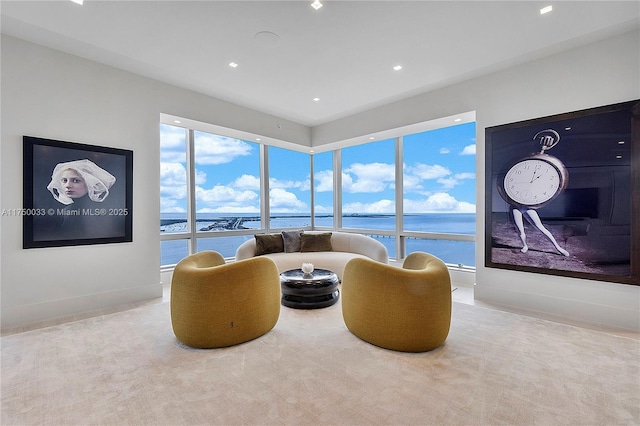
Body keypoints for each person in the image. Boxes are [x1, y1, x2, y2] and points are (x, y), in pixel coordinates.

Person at [43, 159, 118, 239]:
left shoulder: (100, 212)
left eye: (75, 181)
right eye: (64, 180)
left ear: (89, 183)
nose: (68, 185)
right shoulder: (67, 210)